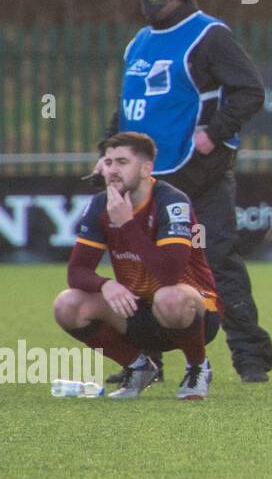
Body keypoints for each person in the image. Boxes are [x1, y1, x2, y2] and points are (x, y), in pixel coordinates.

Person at [102, 0, 271, 387]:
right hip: (144, 180)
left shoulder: (209, 35)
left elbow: (250, 91)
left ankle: (250, 358)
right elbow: (126, 109)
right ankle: (147, 360)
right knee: (139, 266)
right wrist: (108, 148)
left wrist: (213, 134)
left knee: (216, 260)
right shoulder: (137, 43)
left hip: (199, 175)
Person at [56, 132, 222, 401]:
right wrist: (105, 284)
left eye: (122, 162)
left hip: (192, 313)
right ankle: (138, 367)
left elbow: (169, 273)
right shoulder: (101, 204)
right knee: (67, 304)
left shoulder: (172, 201)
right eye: (108, 162)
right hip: (138, 310)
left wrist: (127, 225)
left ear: (146, 168)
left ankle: (197, 367)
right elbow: (77, 272)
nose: (112, 170)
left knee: (169, 296)